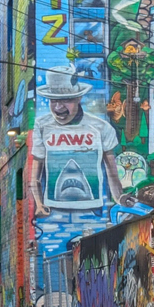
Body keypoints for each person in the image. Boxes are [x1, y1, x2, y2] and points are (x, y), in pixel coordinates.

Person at [29, 64, 133, 217]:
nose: (58, 107)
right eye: (53, 100)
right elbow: (35, 174)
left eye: (66, 100)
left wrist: (119, 198)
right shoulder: (42, 125)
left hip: (94, 209)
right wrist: (39, 204)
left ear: (79, 98)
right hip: (54, 210)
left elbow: (112, 172)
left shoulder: (101, 127)